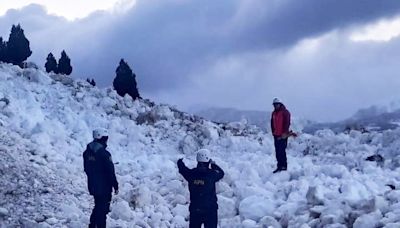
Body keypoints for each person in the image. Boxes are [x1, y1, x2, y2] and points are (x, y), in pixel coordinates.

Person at [177, 149, 224, 228]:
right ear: (208, 160)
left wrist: (180, 161)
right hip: (210, 210)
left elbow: (182, 169)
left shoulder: (191, 174)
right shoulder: (212, 174)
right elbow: (221, 173)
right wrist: (213, 165)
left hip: (195, 209)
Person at [83, 128, 119, 228]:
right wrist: (115, 185)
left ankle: (92, 225)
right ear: (102, 138)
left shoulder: (87, 153)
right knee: (103, 209)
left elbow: (87, 169)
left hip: (93, 185)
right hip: (104, 187)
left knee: (97, 205)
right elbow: (110, 172)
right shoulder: (105, 154)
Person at [271, 98, 291, 173]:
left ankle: (284, 166)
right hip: (276, 135)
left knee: (282, 151)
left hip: (283, 135)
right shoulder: (274, 113)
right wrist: (273, 132)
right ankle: (279, 166)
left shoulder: (285, 112)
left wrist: (285, 133)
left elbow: (287, 123)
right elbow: (272, 123)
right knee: (277, 151)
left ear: (280, 104)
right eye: (274, 104)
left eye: (277, 104)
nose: (275, 106)